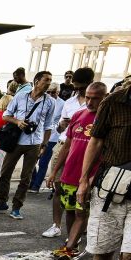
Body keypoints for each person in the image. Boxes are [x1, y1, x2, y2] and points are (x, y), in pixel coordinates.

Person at [73, 78, 131, 260]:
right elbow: (95, 141)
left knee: (130, 253)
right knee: (102, 248)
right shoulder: (114, 102)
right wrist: (84, 180)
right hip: (110, 188)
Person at [46, 82, 107, 260]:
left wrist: (90, 178)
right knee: (70, 210)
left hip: (90, 176)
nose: (89, 101)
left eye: (95, 98)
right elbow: (67, 145)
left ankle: (70, 247)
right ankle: (73, 243)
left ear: (104, 97)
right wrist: (55, 171)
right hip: (69, 173)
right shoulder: (78, 115)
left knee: (82, 213)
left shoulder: (106, 120)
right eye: (87, 97)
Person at [0, 71, 55, 219]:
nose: (48, 83)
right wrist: (18, 122)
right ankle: (2, 201)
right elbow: (6, 115)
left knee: (26, 177)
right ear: (37, 81)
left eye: (50, 80)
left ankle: (16, 207)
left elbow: (48, 126)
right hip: (16, 140)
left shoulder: (50, 102)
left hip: (35, 142)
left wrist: (44, 145)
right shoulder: (20, 96)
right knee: (5, 173)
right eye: (46, 80)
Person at [43, 67, 95, 238]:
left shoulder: (98, 104)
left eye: (82, 87)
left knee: (82, 191)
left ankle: (77, 230)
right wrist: (62, 125)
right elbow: (58, 127)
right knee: (58, 187)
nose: (78, 90)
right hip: (64, 145)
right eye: (76, 87)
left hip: (85, 150)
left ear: (90, 83)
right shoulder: (69, 103)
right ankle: (56, 225)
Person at [28, 82, 65, 193]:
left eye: (53, 92)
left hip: (52, 137)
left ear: (58, 92)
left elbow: (60, 121)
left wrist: (53, 128)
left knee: (43, 162)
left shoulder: (62, 103)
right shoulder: (43, 100)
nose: (50, 94)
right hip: (38, 135)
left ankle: (36, 185)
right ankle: (33, 181)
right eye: (48, 91)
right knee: (32, 161)